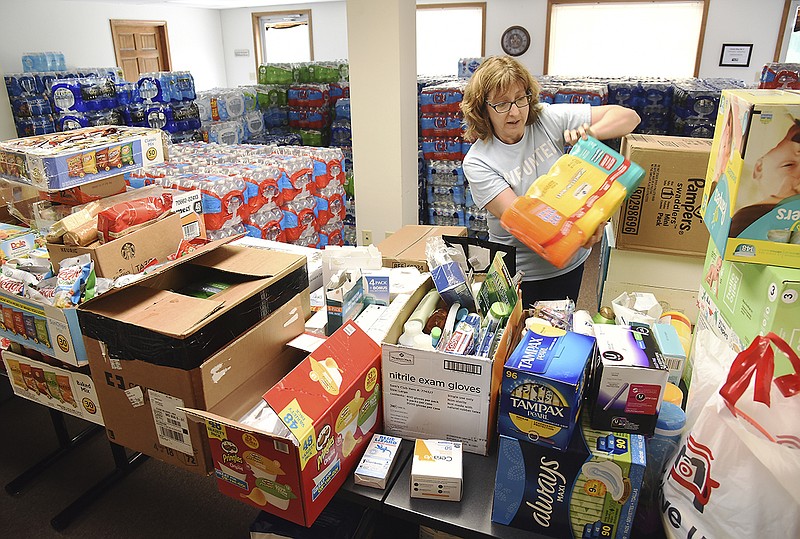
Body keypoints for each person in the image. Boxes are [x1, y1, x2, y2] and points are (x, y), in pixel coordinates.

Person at [460, 56, 641, 306]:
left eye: (520, 99)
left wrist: (592, 135)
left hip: (571, 265)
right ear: (482, 109)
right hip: (521, 274)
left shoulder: (547, 119)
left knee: (560, 330)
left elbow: (628, 117)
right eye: (501, 104)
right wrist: (582, 228)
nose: (514, 112)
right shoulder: (479, 161)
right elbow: (524, 220)